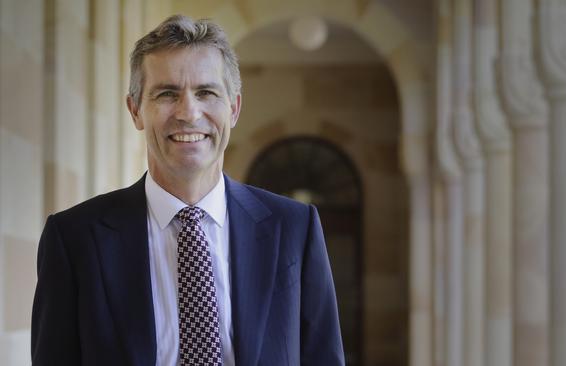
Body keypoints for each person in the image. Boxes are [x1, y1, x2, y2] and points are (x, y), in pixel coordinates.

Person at [31, 14, 344, 366]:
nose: (188, 112)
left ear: (234, 108)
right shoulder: (74, 238)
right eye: (167, 94)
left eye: (206, 92)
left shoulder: (294, 228)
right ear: (135, 111)